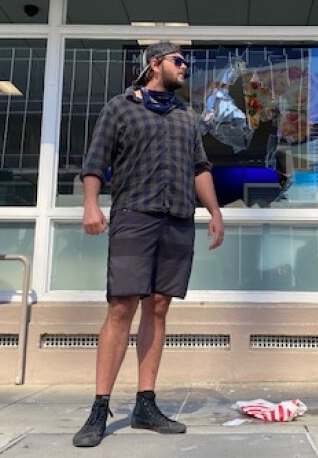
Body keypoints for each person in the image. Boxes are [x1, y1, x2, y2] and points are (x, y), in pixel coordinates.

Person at [73, 41, 225, 448]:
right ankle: (99, 409)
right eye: (179, 60)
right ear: (155, 64)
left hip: (177, 218)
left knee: (158, 307)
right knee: (121, 306)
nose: (185, 67)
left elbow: (200, 168)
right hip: (134, 216)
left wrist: (214, 211)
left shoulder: (187, 116)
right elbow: (95, 161)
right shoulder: (120, 108)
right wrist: (90, 204)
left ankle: (146, 404)